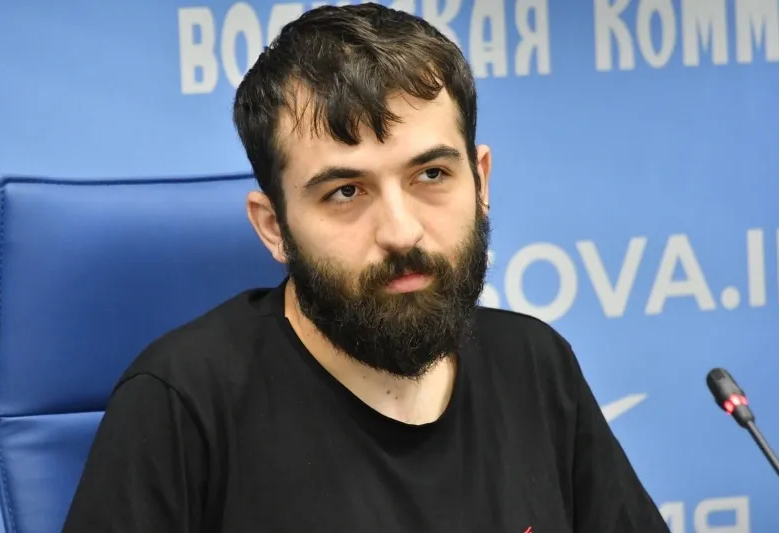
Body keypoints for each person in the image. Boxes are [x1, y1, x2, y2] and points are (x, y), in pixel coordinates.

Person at [62, 3, 669, 532]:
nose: (401, 232)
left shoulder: (535, 364)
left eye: (431, 174)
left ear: (480, 182)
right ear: (274, 227)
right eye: (346, 192)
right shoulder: (180, 404)